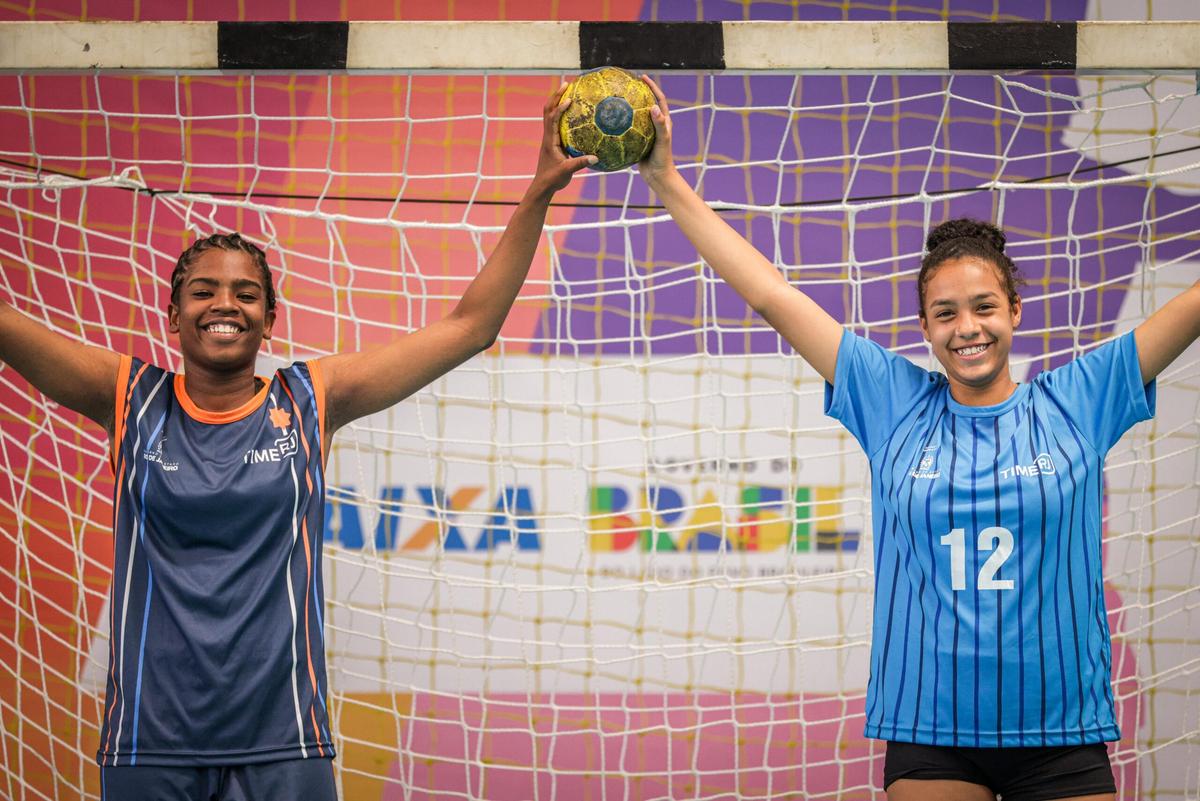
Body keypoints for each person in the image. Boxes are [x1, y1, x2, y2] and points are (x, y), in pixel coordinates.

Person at [0, 85, 594, 801]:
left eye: (246, 293)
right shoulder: (129, 395)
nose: (225, 303)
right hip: (148, 740)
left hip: (286, 740)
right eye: (203, 291)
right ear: (174, 315)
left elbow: (471, 326)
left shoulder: (311, 398)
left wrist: (536, 191)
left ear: (269, 319)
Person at [635, 75, 1200, 801]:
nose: (967, 327)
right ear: (925, 326)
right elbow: (771, 296)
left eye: (984, 306)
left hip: (1062, 729)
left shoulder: (1079, 399)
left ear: (1015, 309)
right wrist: (667, 179)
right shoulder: (891, 397)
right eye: (945, 313)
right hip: (932, 728)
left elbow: (1189, 304)